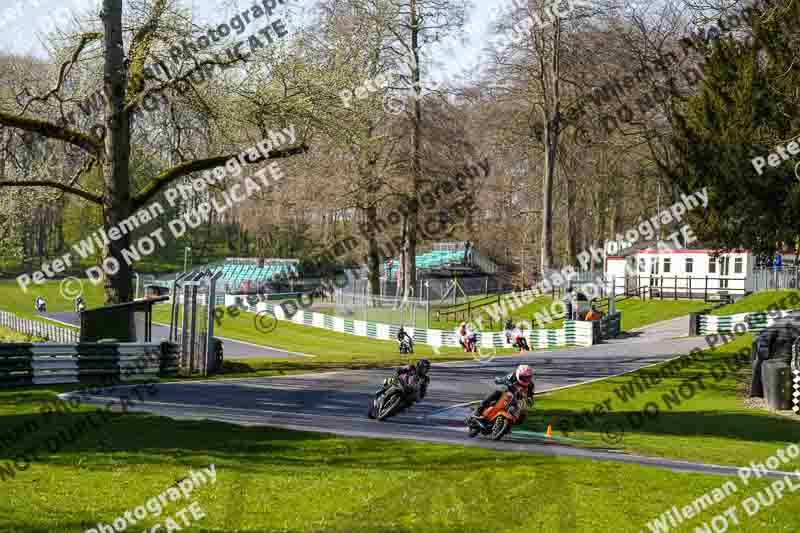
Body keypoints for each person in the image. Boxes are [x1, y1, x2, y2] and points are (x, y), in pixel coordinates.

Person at [471, 364, 535, 424]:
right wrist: (499, 380)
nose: (526, 379)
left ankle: (508, 424)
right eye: (524, 377)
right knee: (497, 391)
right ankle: (479, 409)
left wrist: (530, 401)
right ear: (518, 374)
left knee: (522, 415)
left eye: (528, 377)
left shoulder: (530, 385)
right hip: (507, 394)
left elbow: (531, 397)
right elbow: (502, 379)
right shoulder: (513, 376)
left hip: (516, 400)